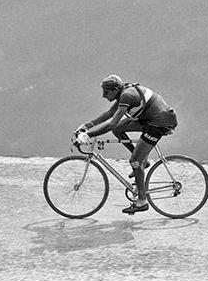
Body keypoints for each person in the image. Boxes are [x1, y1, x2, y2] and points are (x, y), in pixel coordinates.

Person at [74, 75, 178, 214]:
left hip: (159, 123)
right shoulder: (123, 93)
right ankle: (143, 163)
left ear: (116, 89)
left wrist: (88, 136)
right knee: (119, 130)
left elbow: (111, 123)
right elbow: (109, 114)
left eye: (106, 92)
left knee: (134, 161)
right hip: (149, 120)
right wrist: (86, 126)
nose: (103, 95)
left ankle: (142, 201)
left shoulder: (127, 96)